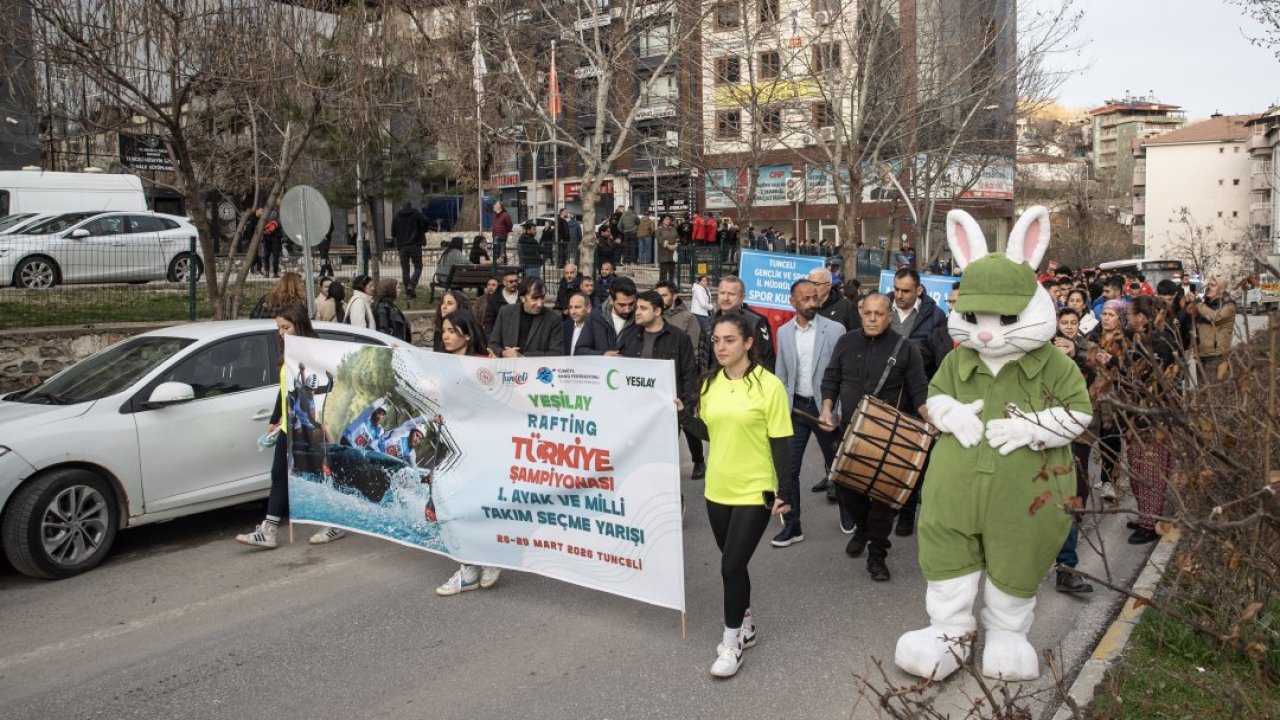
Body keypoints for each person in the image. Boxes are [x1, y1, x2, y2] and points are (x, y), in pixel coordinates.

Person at [685, 312, 793, 678]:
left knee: (730, 566)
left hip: (755, 489)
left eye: (729, 340)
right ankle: (746, 620)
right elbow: (711, 431)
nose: (721, 347)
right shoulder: (709, 383)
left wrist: (786, 489)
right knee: (735, 564)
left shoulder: (769, 386)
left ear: (748, 343)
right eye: (716, 340)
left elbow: (781, 440)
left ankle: (732, 643)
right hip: (717, 488)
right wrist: (684, 415)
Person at [818, 293, 929, 582]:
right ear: (860, 311)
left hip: (889, 437)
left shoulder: (906, 348)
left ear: (889, 315)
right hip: (850, 434)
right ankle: (863, 529)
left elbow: (918, 390)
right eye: (867, 313)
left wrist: (930, 419)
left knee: (882, 499)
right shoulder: (846, 342)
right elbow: (831, 379)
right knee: (846, 491)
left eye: (878, 314)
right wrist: (827, 408)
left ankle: (878, 553)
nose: (872, 319)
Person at [236, 304, 346, 549]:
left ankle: (334, 523)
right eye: (278, 328)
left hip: (308, 429)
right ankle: (269, 529)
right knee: (279, 475)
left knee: (318, 475)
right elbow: (283, 391)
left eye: (285, 327)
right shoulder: (288, 356)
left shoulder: (314, 354)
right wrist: (275, 419)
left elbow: (327, 383)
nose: (281, 333)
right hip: (289, 428)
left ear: (299, 326)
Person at [433, 308, 503, 594]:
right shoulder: (442, 364)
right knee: (455, 504)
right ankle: (469, 566)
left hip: (479, 446)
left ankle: (487, 559)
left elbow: (494, 402)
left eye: (452, 331)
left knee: (477, 503)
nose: (446, 336)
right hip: (452, 444)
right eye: (444, 331)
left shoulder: (484, 365)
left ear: (467, 333)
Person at [771, 279, 844, 548]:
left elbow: (841, 374)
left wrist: (836, 410)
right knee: (788, 470)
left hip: (824, 408)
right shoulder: (783, 332)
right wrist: (778, 410)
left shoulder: (835, 330)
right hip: (795, 409)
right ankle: (793, 526)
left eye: (815, 297)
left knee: (837, 466)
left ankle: (848, 513)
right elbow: (781, 375)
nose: (812, 302)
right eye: (806, 298)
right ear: (793, 302)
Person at [1120, 295, 1180, 544]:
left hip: (1153, 416)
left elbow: (1143, 379)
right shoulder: (1146, 339)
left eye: (1131, 315)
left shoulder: (1159, 342)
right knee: (1138, 467)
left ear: (1142, 318)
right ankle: (1146, 514)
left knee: (1151, 469)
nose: (1128, 320)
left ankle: (1151, 522)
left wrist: (1116, 362)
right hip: (1139, 413)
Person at [657, 279, 707, 478]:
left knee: (687, 424)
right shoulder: (654, 316)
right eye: (657, 295)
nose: (660, 299)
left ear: (674, 296)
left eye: (664, 295)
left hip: (682, 380)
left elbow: (695, 351)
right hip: (659, 382)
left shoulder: (687, 318)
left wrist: (692, 385)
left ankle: (698, 460)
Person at [617, 290, 697, 412]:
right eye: (637, 308)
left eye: (643, 308)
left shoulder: (679, 338)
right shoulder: (629, 335)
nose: (637, 312)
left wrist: (685, 410)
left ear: (657, 311)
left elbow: (689, 374)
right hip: (634, 408)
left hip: (667, 411)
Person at [707, 276, 775, 371]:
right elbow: (704, 360)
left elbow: (767, 360)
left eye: (731, 294)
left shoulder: (756, 322)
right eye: (722, 293)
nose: (725, 298)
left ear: (742, 297)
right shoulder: (708, 323)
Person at [488, 276, 563, 357]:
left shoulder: (554, 319)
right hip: (507, 368)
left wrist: (522, 356)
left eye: (542, 297)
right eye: (535, 298)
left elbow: (556, 353)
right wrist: (504, 353)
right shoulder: (505, 312)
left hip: (538, 368)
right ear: (522, 298)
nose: (540, 304)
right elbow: (493, 344)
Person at [1190, 276, 1236, 381]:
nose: (1209, 288)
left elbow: (1215, 317)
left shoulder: (1229, 306)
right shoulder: (1205, 304)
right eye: (1208, 285)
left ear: (1222, 289)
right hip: (1201, 354)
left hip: (1216, 356)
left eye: (1213, 285)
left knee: (1213, 392)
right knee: (1202, 392)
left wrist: (1198, 303)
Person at [587, 275, 636, 352]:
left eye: (631, 304)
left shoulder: (641, 319)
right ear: (611, 300)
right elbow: (580, 349)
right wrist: (602, 354)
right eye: (622, 305)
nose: (627, 310)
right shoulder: (595, 316)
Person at [392, 202, 429, 298]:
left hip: (402, 246)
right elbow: (426, 220)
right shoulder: (415, 214)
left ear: (401, 207)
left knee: (405, 269)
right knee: (418, 267)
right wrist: (423, 229)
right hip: (415, 245)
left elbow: (393, 233)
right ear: (410, 206)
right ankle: (412, 285)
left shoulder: (396, 217)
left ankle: (408, 292)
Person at [811, 266, 857, 332]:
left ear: (828, 286)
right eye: (809, 284)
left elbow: (856, 335)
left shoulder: (846, 306)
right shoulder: (806, 307)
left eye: (816, 284)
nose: (812, 288)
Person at [373, 278, 413, 342]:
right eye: (398, 288)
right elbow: (383, 330)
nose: (400, 290)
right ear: (390, 289)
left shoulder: (391, 305)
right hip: (394, 346)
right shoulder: (382, 307)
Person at [483, 270, 521, 334]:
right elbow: (489, 321)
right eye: (511, 282)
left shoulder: (523, 296)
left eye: (516, 281)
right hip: (501, 334)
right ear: (504, 282)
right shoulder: (495, 298)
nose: (514, 284)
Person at [656, 215, 679, 284]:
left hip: (672, 254)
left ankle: (671, 286)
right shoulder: (659, 229)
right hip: (663, 254)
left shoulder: (673, 229)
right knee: (663, 273)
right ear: (662, 220)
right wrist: (668, 245)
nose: (668, 221)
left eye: (669, 219)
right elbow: (660, 240)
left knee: (672, 272)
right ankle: (662, 287)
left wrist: (676, 244)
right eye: (666, 219)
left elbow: (677, 238)